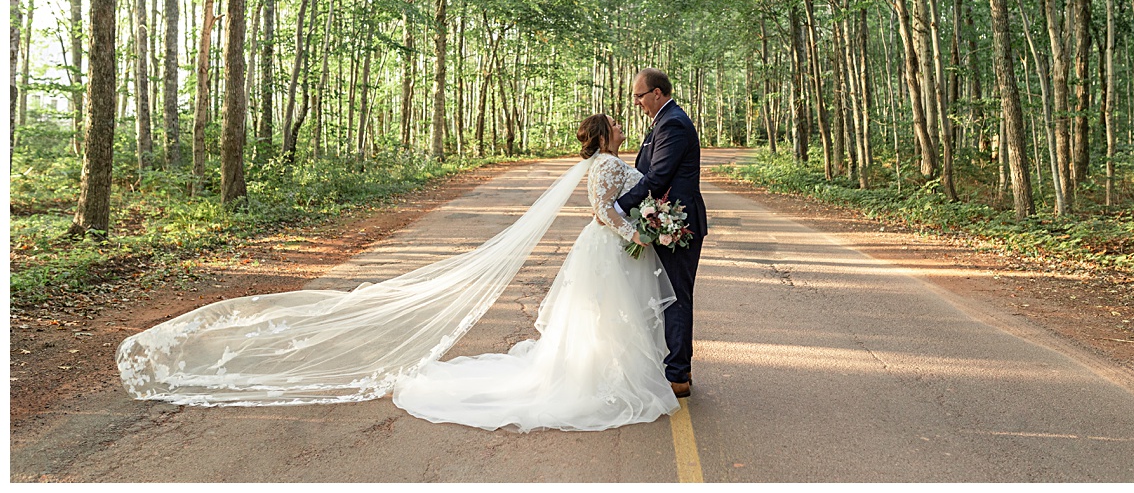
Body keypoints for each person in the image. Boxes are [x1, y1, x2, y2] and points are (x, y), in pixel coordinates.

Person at [116, 114, 680, 433]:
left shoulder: (599, 163)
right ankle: (607, 380)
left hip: (604, 251)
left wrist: (642, 225)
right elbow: (604, 212)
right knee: (610, 316)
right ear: (604, 138)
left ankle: (610, 371)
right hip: (609, 246)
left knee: (608, 318)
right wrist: (637, 233)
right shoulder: (607, 165)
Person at [615, 68, 706, 398]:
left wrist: (618, 209)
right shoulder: (662, 122)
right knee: (669, 295)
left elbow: (657, 177)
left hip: (678, 223)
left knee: (677, 296)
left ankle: (678, 375)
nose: (636, 102)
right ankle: (678, 365)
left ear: (657, 92)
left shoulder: (673, 124)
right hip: (664, 220)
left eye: (639, 95)